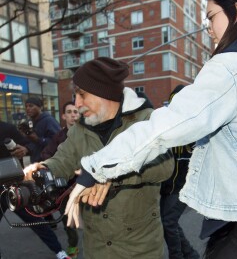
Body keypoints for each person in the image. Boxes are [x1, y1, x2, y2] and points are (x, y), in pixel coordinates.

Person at [65, 0, 237, 259]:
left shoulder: (231, 67)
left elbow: (163, 129)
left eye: (212, 16)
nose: (209, 28)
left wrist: (94, 167)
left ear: (236, 10)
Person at [25, 57, 174, 259]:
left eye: (82, 95)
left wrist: (112, 174)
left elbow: (165, 165)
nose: (77, 104)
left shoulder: (145, 120)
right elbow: (62, 160)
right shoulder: (80, 129)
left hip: (139, 249)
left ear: (104, 93)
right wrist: (42, 170)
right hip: (97, 249)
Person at [0, 121, 71, 259]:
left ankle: (59, 252)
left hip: (15, 187)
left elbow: (30, 145)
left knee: (37, 222)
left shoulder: (7, 128)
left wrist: (25, 149)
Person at [160, 85, 199, 259]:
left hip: (184, 186)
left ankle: (177, 256)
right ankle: (191, 255)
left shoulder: (196, 125)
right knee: (169, 222)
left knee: (168, 221)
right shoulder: (167, 124)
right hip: (168, 186)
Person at [41, 101, 80, 259]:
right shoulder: (58, 137)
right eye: (69, 112)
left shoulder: (88, 135)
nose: (73, 115)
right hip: (66, 188)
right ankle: (73, 248)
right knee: (68, 221)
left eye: (76, 112)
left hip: (87, 185)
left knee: (94, 218)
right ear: (64, 116)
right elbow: (46, 155)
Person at [18, 97, 61, 164]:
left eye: (31, 106)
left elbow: (58, 141)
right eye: (26, 106)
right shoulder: (31, 122)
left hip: (50, 163)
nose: (28, 108)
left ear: (40, 107)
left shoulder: (49, 120)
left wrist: (38, 139)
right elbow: (35, 144)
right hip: (37, 162)